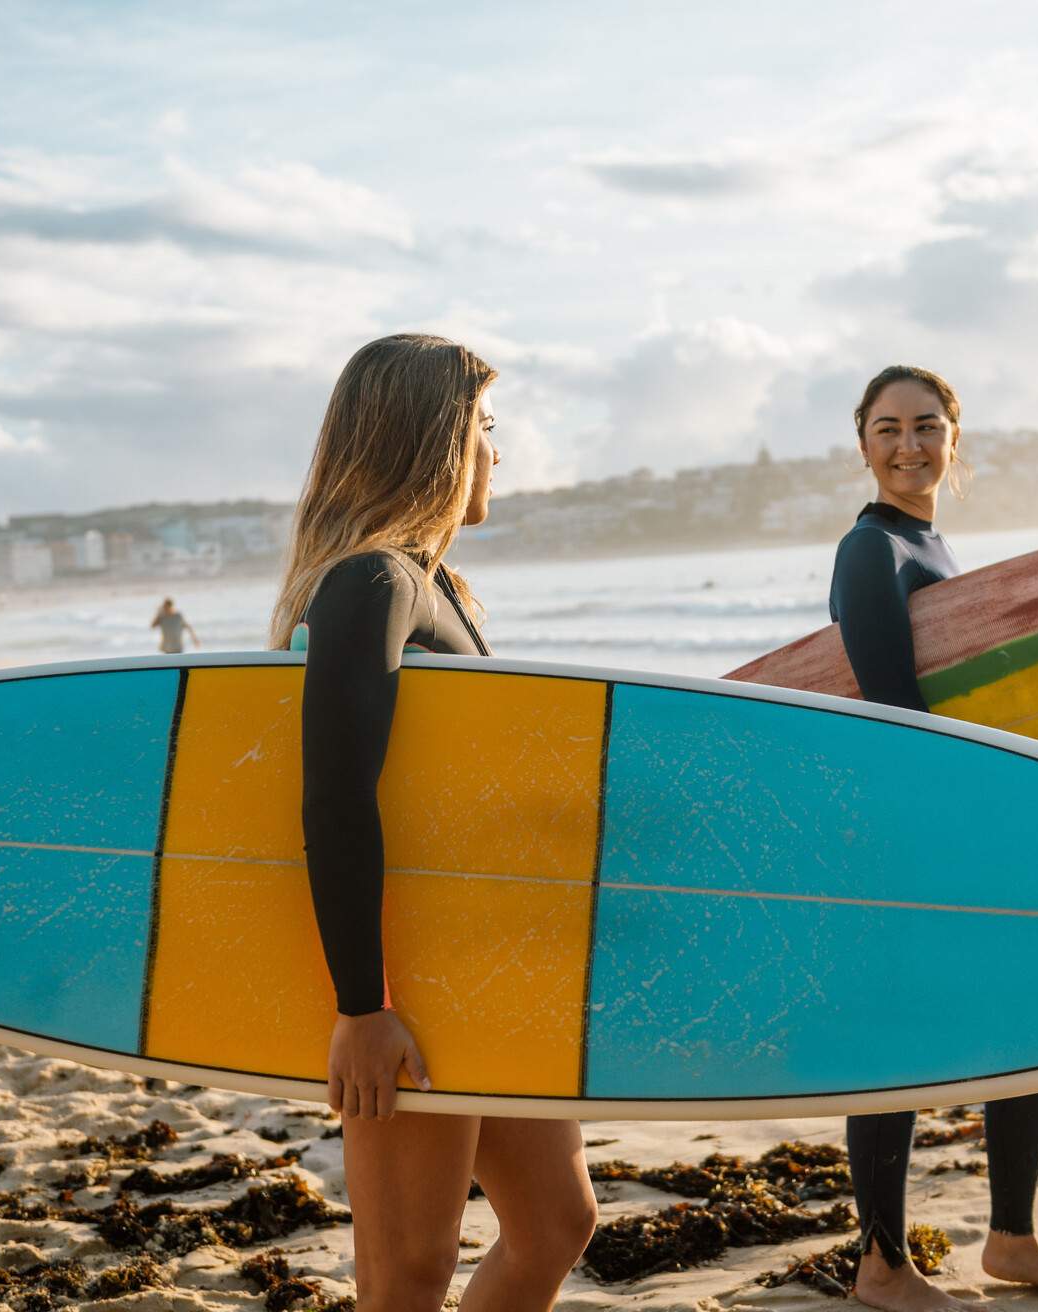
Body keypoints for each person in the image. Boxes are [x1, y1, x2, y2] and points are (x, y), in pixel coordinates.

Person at [268, 334, 594, 1312]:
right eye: (484, 429)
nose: (498, 452)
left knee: (554, 1222)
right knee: (406, 1274)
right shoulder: (371, 583)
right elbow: (334, 794)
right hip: (408, 978)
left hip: (479, 959)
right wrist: (362, 1006)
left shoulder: (438, 586)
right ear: (436, 445)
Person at [830, 365, 1038, 1310]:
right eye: (889, 427)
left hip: (971, 820)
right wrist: (951, 828)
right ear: (861, 441)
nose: (911, 445)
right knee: (897, 1037)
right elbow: (897, 714)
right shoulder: (871, 552)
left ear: (956, 436)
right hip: (910, 830)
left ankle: (1012, 1237)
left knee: (1034, 1017)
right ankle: (880, 1264)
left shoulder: (932, 546)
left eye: (929, 425)